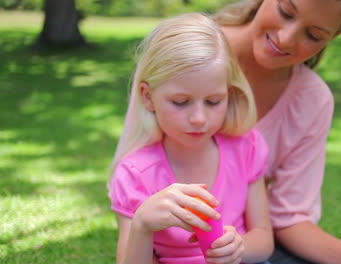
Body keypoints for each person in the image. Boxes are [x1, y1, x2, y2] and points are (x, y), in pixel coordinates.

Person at [212, 0, 341, 263]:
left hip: (253, 246)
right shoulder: (187, 52)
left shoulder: (311, 100)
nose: (285, 39)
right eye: (285, 12)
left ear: (333, 37)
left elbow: (289, 217)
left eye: (313, 35)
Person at [108, 13, 273, 264]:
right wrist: (142, 224)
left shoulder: (245, 148)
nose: (198, 118)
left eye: (213, 101)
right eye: (181, 102)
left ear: (228, 94)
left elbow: (263, 238)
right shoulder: (135, 174)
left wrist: (240, 248)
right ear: (148, 97)